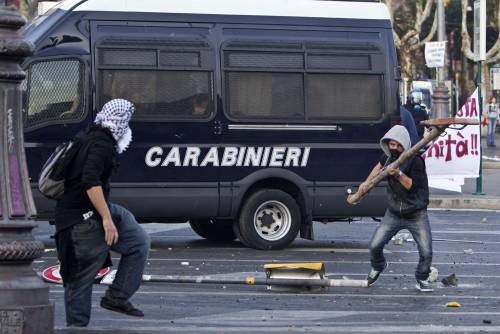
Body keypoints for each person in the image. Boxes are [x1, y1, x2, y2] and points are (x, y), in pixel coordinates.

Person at [54, 99, 150, 327]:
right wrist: (107, 219)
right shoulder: (101, 144)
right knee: (79, 278)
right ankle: (77, 328)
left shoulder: (89, 134)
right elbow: (90, 182)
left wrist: (108, 215)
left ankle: (117, 297)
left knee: (138, 240)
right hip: (80, 218)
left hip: (91, 211)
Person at [358, 125, 433, 292]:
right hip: (393, 212)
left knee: (426, 251)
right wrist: (366, 183)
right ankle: (378, 266)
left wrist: (398, 174)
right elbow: (378, 167)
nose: (395, 149)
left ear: (405, 145)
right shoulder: (386, 158)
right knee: (375, 246)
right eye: (392, 145)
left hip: (416, 213)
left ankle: (422, 277)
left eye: (399, 146)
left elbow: (411, 186)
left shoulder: (416, 161)